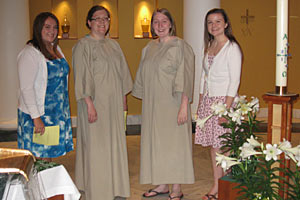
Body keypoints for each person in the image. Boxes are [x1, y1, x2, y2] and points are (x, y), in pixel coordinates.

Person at [132, 8, 195, 200]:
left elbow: (186, 77)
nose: (160, 25)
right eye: (156, 21)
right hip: (153, 105)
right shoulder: (149, 48)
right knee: (157, 144)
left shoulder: (180, 46)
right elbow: (143, 76)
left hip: (173, 104)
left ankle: (176, 188)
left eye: (164, 21)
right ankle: (162, 184)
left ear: (171, 24)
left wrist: (184, 106)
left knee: (174, 145)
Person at [72, 5, 132, 200]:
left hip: (114, 106)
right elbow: (82, 77)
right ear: (89, 22)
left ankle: (115, 186)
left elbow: (123, 75)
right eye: (97, 19)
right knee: (96, 147)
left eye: (105, 19)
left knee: (115, 144)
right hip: (95, 104)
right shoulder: (83, 45)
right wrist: (89, 103)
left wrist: (123, 101)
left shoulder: (114, 45)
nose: (101, 22)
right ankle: (98, 190)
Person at [195, 8, 242, 200]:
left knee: (227, 147)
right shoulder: (210, 45)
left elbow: (235, 80)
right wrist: (200, 103)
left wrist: (227, 110)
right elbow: (203, 77)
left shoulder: (232, 48)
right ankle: (216, 185)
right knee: (214, 148)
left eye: (217, 21)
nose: (213, 26)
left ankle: (229, 187)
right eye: (210, 22)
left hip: (224, 102)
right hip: (209, 102)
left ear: (226, 24)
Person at [17, 12, 73, 161]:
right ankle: (37, 184)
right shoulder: (29, 53)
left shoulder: (55, 49)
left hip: (55, 113)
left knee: (49, 155)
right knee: (39, 156)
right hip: (39, 113)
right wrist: (36, 118)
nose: (52, 31)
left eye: (55, 27)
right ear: (38, 28)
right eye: (47, 27)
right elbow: (26, 89)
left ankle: (47, 183)